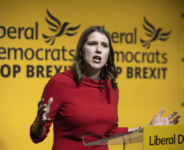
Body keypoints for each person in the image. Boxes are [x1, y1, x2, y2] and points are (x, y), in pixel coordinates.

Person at [30, 26, 181, 150]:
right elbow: (36, 136)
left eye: (104, 45)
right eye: (92, 44)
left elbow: (110, 133)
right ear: (81, 50)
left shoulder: (111, 87)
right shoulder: (60, 82)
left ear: (109, 54)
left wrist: (148, 129)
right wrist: (40, 124)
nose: (99, 50)